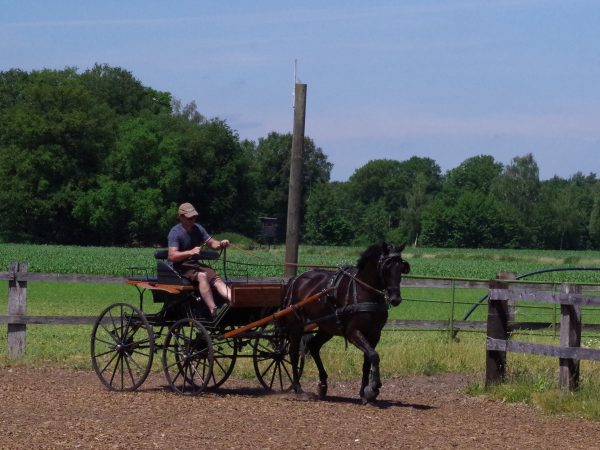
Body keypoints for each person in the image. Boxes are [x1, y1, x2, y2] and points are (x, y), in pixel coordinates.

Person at [167, 202, 231, 318]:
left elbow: (212, 243)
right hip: (179, 266)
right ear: (181, 217)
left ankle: (234, 301)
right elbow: (172, 256)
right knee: (202, 276)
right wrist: (190, 252)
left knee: (216, 278)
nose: (192, 220)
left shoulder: (198, 228)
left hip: (193, 264)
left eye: (194, 217)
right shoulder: (175, 233)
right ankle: (213, 309)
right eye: (190, 218)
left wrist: (221, 244)